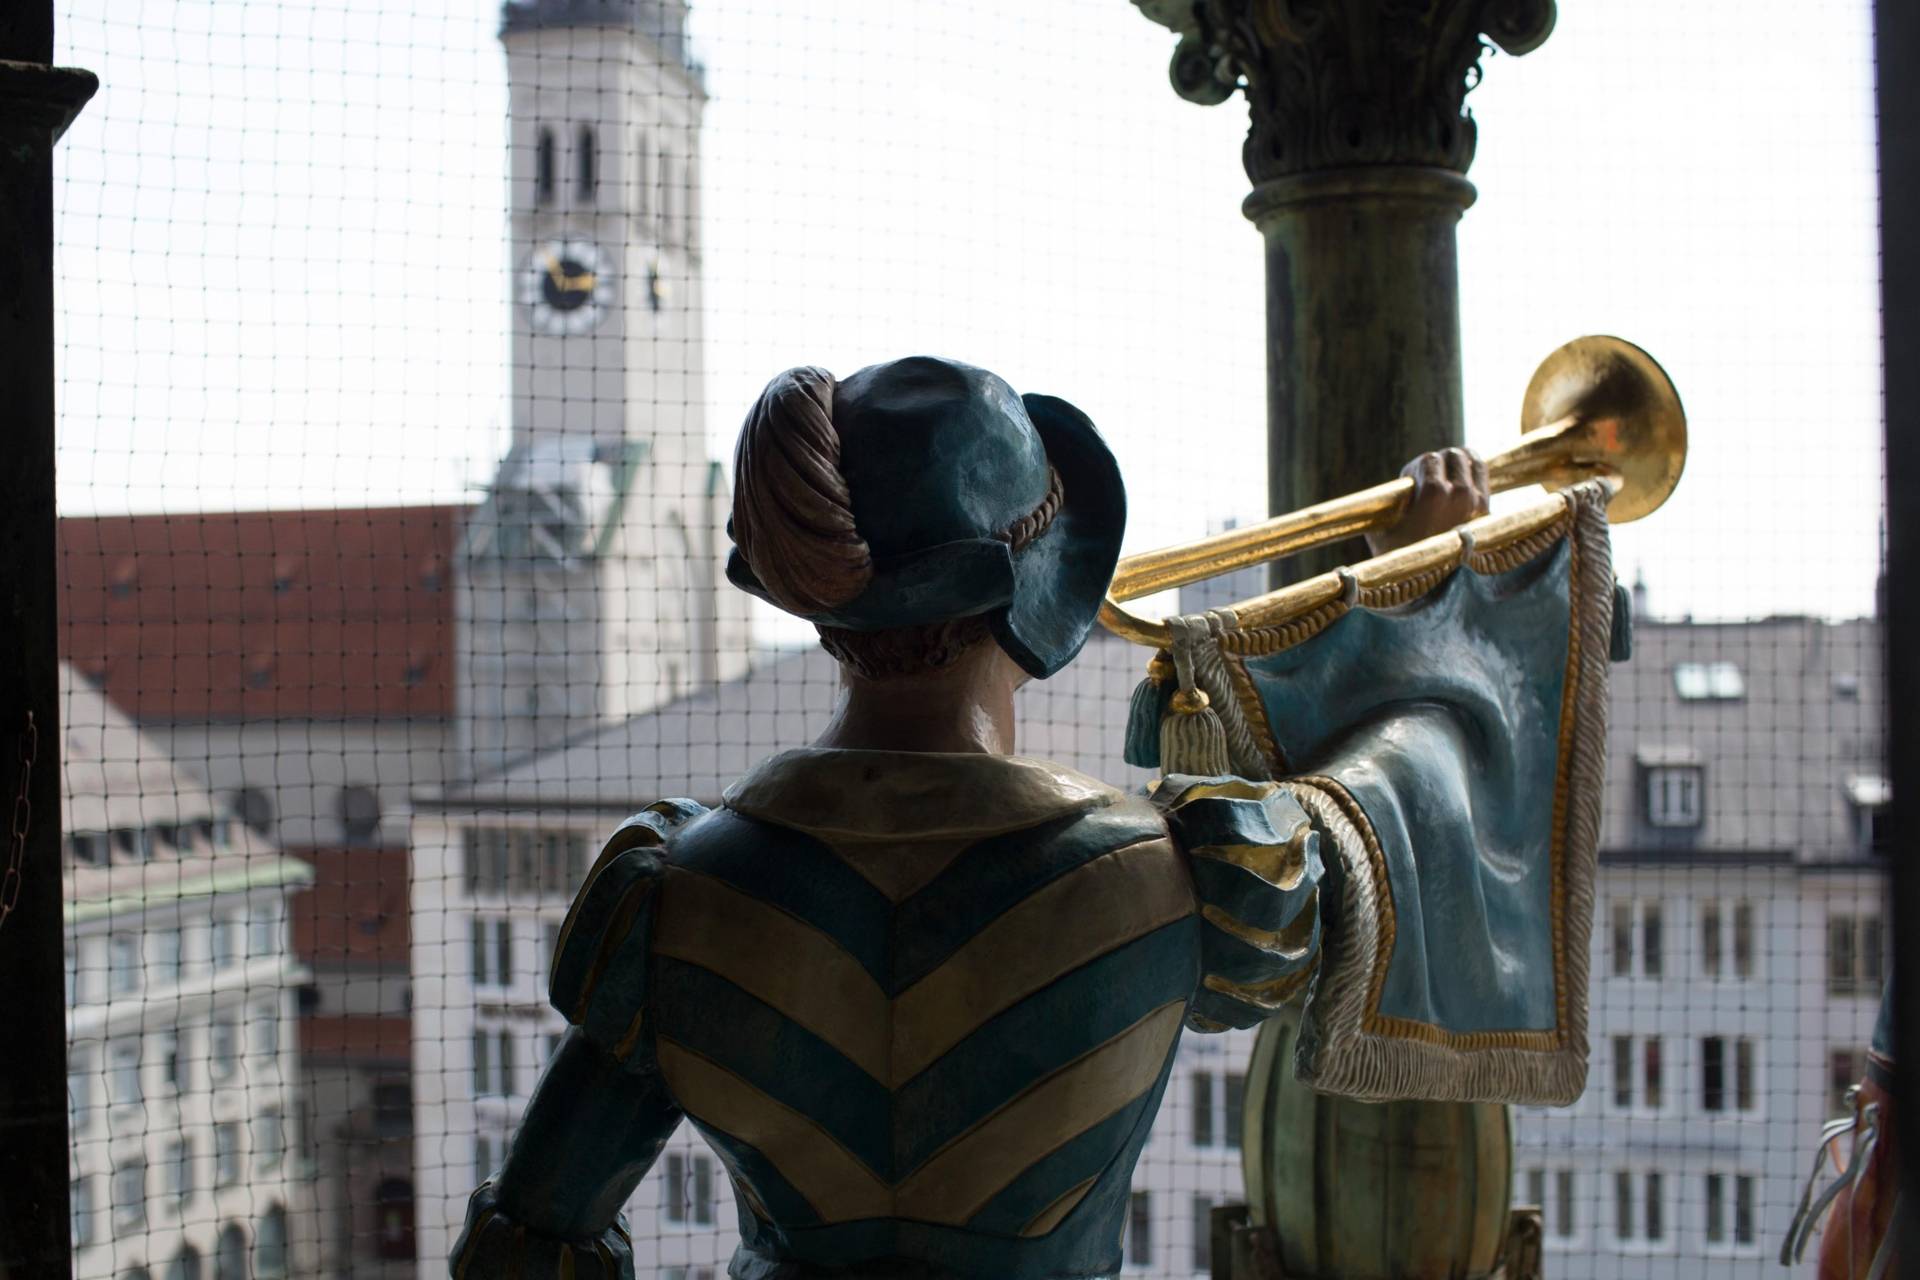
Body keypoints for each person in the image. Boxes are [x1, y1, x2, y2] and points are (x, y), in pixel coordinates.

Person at [449, 355, 1490, 1280]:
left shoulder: (671, 897)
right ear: (1036, 595)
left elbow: (530, 1241)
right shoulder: (1180, 879)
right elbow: (1396, 791)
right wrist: (1424, 582)